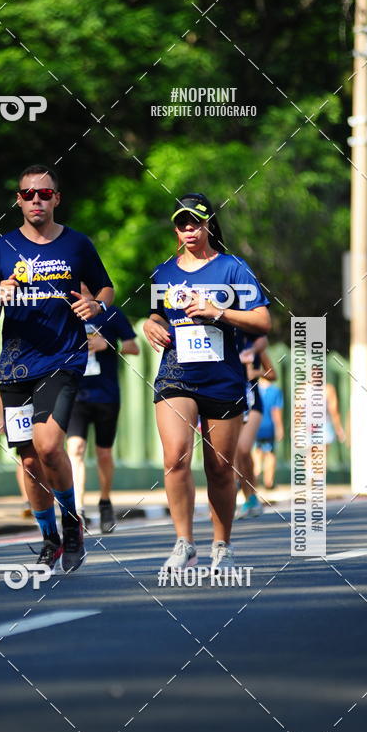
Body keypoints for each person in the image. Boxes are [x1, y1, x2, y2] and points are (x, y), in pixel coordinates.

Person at [0, 165, 114, 573]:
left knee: (51, 445)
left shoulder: (77, 244)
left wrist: (97, 306)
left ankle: (72, 525)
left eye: (45, 194)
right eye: (28, 194)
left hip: (64, 359)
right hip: (16, 368)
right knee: (30, 460)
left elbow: (105, 286)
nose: (36, 200)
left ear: (57, 198)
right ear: (17, 200)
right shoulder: (0, 250)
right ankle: (49, 538)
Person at [143, 192, 270, 575]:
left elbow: (263, 321)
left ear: (208, 224)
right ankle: (184, 542)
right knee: (175, 456)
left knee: (219, 467)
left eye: (195, 223)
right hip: (176, 375)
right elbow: (155, 316)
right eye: (182, 224)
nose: (188, 230)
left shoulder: (233, 268)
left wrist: (219, 311)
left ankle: (222, 545)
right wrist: (152, 325)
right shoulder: (164, 272)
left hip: (222, 379)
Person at [67, 302, 138, 532]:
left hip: (105, 395)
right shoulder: (64, 310)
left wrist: (107, 344)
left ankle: (105, 502)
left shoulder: (111, 313)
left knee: (103, 454)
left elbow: (133, 347)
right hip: (75, 393)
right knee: (75, 448)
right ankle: (78, 510)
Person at [235, 339, 277, 518]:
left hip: (253, 404)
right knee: (235, 456)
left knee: (243, 449)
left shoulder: (255, 348)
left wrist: (257, 372)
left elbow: (273, 374)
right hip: (231, 402)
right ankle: (248, 498)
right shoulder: (221, 342)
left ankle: (252, 497)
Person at [254, 376, 284, 490]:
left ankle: (254, 478)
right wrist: (279, 428)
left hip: (254, 425)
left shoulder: (253, 389)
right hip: (269, 427)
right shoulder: (275, 391)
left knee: (256, 452)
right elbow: (276, 412)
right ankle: (268, 482)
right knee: (270, 454)